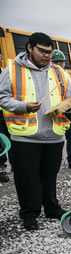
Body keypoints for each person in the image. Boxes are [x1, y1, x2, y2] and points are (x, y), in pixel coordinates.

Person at [0, 32, 71, 230]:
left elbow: (69, 97)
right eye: (42, 51)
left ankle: (51, 208)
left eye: (49, 52)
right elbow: (2, 97)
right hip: (24, 135)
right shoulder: (12, 70)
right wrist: (23, 106)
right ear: (30, 48)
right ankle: (29, 214)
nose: (47, 56)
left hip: (54, 136)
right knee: (26, 177)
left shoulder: (60, 73)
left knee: (50, 175)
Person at [51, 49, 71, 170]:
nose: (59, 65)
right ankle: (55, 163)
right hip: (57, 113)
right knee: (57, 139)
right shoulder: (48, 77)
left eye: (61, 62)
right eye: (56, 62)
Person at [0, 52, 10, 183]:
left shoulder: (3, 72)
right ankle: (1, 168)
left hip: (4, 112)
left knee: (5, 140)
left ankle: (4, 165)